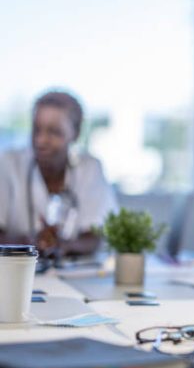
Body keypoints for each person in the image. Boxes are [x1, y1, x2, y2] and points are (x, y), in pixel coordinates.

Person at [0, 90, 117, 260]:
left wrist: (64, 245)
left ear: (75, 133)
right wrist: (30, 243)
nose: (41, 140)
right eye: (36, 129)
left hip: (72, 274)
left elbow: (95, 236)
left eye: (54, 132)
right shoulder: (7, 164)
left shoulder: (89, 168)